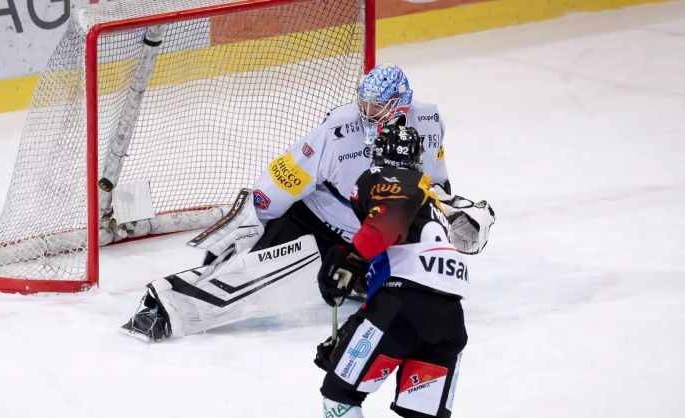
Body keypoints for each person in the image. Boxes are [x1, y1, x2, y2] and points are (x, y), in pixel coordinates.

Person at [122, 64, 491, 342]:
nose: (366, 111)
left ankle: (366, 277)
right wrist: (250, 225)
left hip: (374, 235)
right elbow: (282, 179)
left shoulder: (428, 121)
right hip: (315, 223)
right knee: (253, 276)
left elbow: (435, 183)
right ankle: (166, 307)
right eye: (363, 101)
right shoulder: (338, 132)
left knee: (417, 285)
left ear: (400, 106)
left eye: (375, 107)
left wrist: (455, 214)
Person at [315, 124, 468, 418]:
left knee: (340, 393)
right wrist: (346, 337)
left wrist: (349, 256)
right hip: (449, 320)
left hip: (399, 309)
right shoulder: (432, 202)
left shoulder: (385, 177)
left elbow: (388, 223)